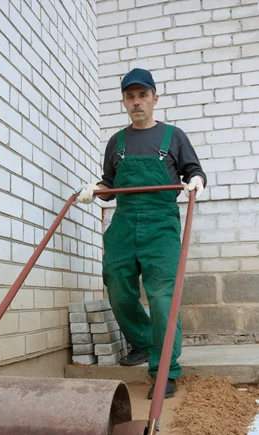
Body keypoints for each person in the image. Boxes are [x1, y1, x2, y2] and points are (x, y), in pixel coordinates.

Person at [74, 68, 206, 399]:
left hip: (161, 225)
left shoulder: (173, 137)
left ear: (154, 98)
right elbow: (110, 186)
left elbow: (194, 170)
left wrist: (196, 182)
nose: (136, 102)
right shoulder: (116, 142)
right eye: (130, 96)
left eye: (142, 95)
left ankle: (165, 372)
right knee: (118, 290)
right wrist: (96, 189)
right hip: (124, 221)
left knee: (163, 299)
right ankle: (146, 342)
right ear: (124, 101)